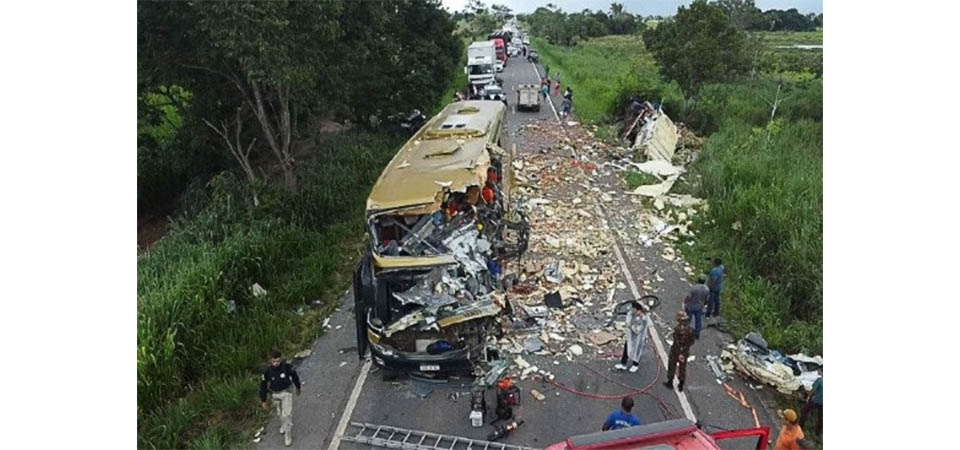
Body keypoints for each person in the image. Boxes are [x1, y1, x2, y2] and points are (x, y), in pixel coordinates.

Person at [260, 350, 302, 447]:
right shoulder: (267, 372)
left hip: (286, 393)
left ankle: (288, 435)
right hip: (274, 394)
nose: (276, 363)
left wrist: (298, 387)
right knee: (280, 413)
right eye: (274, 361)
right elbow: (263, 385)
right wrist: (263, 400)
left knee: (286, 415)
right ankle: (283, 425)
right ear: (270, 361)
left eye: (278, 361)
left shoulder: (287, 367)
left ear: (281, 359)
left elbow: (295, 377)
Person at [663, 311, 695, 392]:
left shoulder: (677, 329)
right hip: (685, 352)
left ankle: (670, 382)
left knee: (672, 366)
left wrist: (679, 351)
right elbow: (692, 341)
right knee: (682, 368)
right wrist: (684, 350)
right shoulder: (690, 330)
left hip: (675, 352)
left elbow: (676, 342)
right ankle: (681, 385)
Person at [615, 302, 650, 372]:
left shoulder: (643, 319)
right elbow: (628, 319)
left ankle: (635, 364)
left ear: (639, 310)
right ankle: (623, 363)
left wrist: (630, 326)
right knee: (627, 348)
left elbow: (638, 330)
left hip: (638, 338)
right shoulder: (632, 314)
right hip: (630, 336)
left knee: (637, 350)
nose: (632, 311)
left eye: (634, 310)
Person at [799, 366, 822, 435]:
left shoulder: (819, 380)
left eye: (818, 370)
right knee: (821, 417)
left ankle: (800, 426)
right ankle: (818, 432)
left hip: (816, 400)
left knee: (804, 411)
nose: (817, 371)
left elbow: (813, 391)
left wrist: (807, 395)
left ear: (821, 371)